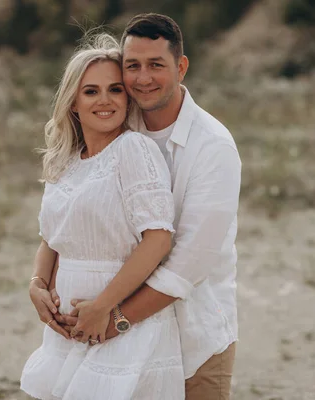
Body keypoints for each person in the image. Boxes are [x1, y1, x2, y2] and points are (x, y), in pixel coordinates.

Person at [56, 13, 242, 400]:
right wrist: (39, 284)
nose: (142, 78)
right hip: (117, 339)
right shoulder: (118, 125)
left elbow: (189, 263)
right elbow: (77, 216)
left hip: (193, 337)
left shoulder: (213, 147)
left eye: (156, 65)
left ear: (181, 67)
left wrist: (114, 319)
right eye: (132, 66)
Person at [20, 32, 185, 400]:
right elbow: (51, 239)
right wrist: (37, 284)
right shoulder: (66, 162)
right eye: (91, 91)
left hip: (122, 326)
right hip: (68, 330)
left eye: (116, 89)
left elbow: (158, 239)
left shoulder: (134, 150)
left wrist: (104, 307)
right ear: (73, 103)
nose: (105, 100)